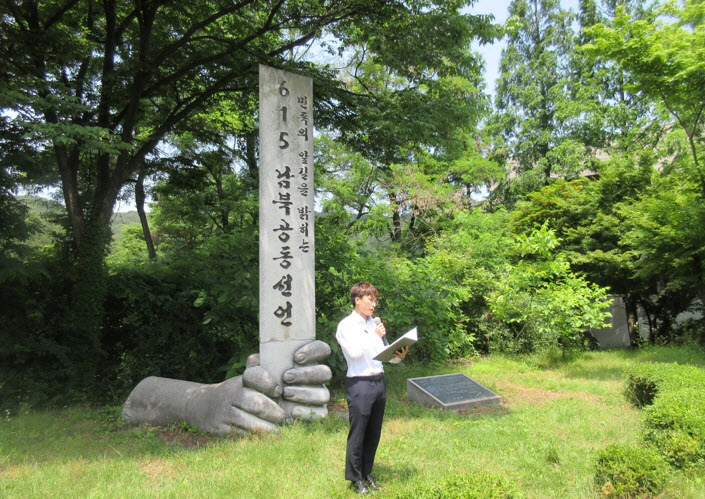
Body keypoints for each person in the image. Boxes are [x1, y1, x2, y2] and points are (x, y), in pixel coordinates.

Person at [336, 282, 408, 495]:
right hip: (360, 383)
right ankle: (355, 479)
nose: (374, 304)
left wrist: (398, 354)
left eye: (375, 300)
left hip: (379, 381)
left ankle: (367, 473)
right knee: (358, 433)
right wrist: (374, 336)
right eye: (370, 299)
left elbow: (384, 355)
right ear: (357, 300)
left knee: (373, 432)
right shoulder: (346, 326)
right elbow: (355, 353)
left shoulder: (373, 324)